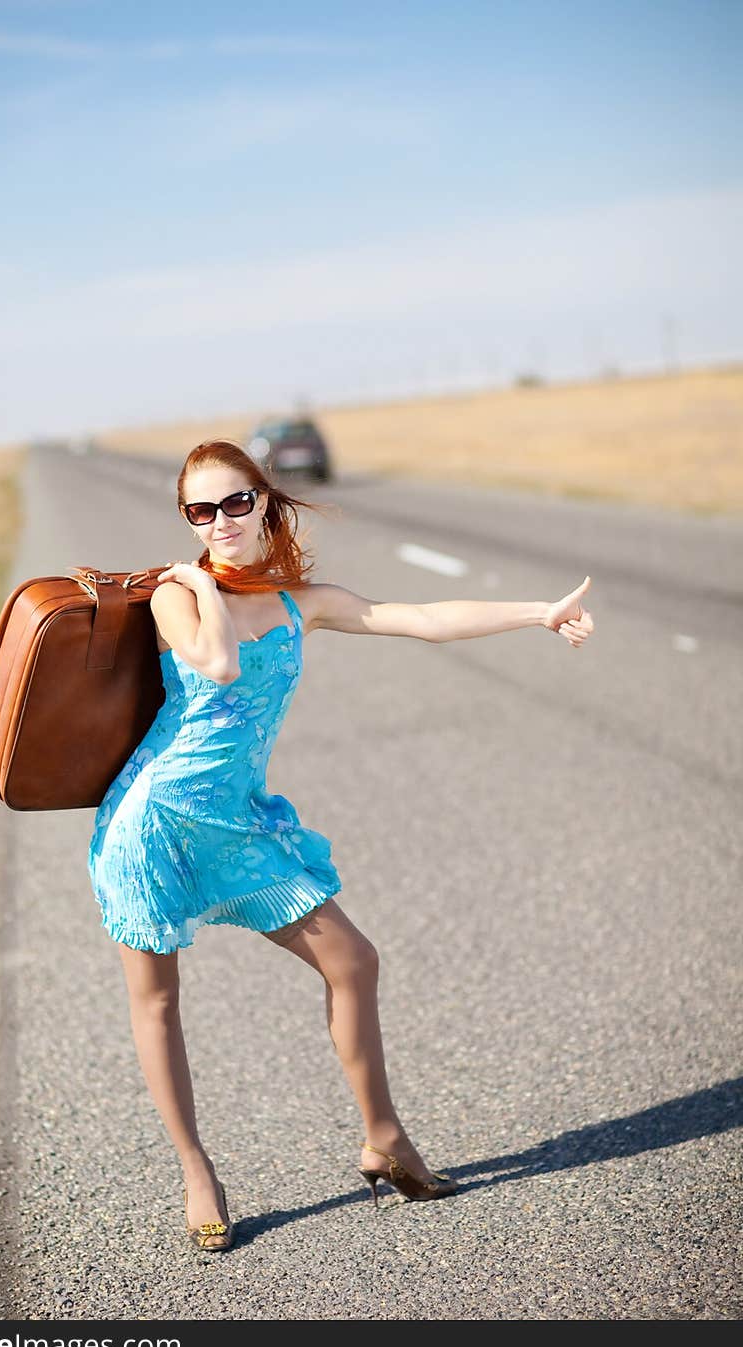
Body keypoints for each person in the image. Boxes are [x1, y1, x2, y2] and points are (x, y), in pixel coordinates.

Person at [88, 439, 595, 1252]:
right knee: (156, 1000)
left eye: (234, 503)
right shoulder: (174, 595)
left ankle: (384, 1138)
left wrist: (539, 613)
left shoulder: (301, 601)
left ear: (264, 500)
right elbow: (216, 665)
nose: (219, 522)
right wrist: (198, 581)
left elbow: (419, 620)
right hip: (153, 822)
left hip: (239, 821)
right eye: (200, 511)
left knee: (353, 961)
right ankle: (195, 1170)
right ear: (187, 519)